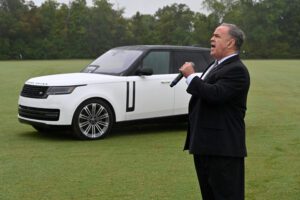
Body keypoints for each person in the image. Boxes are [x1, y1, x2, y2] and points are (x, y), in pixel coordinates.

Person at [179, 23, 250, 200]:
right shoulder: (215, 65)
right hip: (206, 145)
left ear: (230, 42)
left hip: (223, 149)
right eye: (213, 35)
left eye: (217, 36)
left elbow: (216, 94)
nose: (212, 38)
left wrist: (191, 77)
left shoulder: (237, 70)